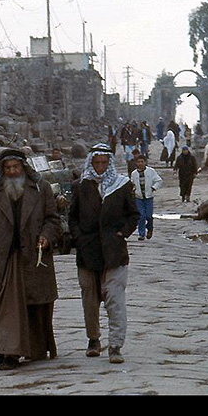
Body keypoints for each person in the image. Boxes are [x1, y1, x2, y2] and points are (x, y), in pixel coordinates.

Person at [0, 148, 62, 370]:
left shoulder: (41, 188)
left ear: (23, 167)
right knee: (7, 308)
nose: (12, 172)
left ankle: (33, 348)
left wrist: (46, 237)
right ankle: (6, 353)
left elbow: (53, 220)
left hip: (33, 256)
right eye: (7, 168)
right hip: (2, 259)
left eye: (15, 167)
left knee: (34, 306)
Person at [68, 143, 139, 364]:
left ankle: (116, 345)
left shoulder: (122, 185)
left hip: (114, 252)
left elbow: (133, 214)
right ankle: (93, 339)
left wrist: (122, 232)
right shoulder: (81, 186)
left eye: (104, 163)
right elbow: (72, 217)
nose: (99, 167)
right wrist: (79, 237)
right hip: (87, 252)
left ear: (109, 163)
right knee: (89, 300)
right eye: (96, 163)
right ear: (91, 162)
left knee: (115, 299)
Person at [130, 155, 162, 240]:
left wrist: (153, 188)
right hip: (139, 198)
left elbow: (158, 180)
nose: (140, 163)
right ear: (136, 163)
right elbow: (131, 184)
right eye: (138, 162)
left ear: (145, 162)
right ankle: (141, 234)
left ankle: (150, 228)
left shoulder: (151, 171)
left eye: (142, 162)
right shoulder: (134, 174)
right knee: (141, 216)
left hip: (149, 197)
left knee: (148, 216)